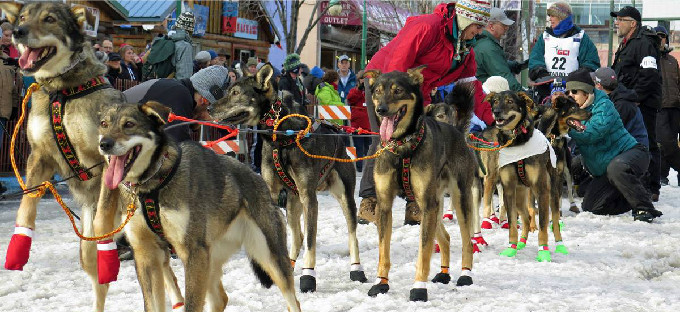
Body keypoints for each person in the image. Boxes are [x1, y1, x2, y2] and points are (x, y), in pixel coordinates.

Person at [358, 0, 491, 224]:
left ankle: (414, 205)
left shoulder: (464, 52)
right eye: (478, 25)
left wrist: (493, 118)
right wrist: (391, 105)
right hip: (385, 87)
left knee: (419, 144)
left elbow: (472, 90)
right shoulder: (428, 27)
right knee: (384, 138)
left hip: (418, 95)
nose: (480, 31)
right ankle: (369, 202)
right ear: (467, 18)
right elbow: (398, 60)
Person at [565, 69, 662, 222]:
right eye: (568, 92)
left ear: (586, 92)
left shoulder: (603, 105)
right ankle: (630, 197)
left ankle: (644, 207)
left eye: (574, 91)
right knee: (592, 207)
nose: (570, 95)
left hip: (632, 154)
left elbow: (593, 134)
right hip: (605, 168)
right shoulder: (574, 111)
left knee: (616, 168)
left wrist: (568, 129)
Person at [611, 6, 662, 202]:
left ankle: (651, 188)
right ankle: (635, 183)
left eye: (621, 19)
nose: (617, 23)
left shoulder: (644, 42)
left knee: (647, 142)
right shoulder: (626, 43)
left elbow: (649, 76)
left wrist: (635, 98)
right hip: (629, 102)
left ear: (633, 23)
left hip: (643, 103)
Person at [123, 65, 229, 142]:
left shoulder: (175, 89)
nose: (210, 116)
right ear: (204, 99)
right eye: (209, 108)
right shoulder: (180, 94)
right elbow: (178, 144)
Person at [528, 1, 600, 87]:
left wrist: (577, 77)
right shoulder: (544, 37)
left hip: (572, 90)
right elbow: (535, 60)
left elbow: (591, 63)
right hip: (546, 86)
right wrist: (543, 75)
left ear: (562, 17)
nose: (550, 19)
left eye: (553, 15)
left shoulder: (580, 37)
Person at [653, 26, 680, 187]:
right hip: (660, 106)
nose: (660, 39)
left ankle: (662, 174)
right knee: (666, 142)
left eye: (662, 36)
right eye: (657, 36)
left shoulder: (673, 61)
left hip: (676, 106)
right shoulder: (650, 58)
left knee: (668, 143)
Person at [473, 7, 525, 92]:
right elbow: (504, 77)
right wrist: (525, 96)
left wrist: (514, 65)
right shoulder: (488, 47)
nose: (506, 28)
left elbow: (492, 64)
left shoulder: (483, 43)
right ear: (491, 26)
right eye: (503, 25)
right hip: (485, 97)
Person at [347, 70, 370, 172]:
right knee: (359, 148)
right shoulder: (354, 91)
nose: (364, 81)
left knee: (369, 148)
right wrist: (359, 90)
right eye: (362, 79)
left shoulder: (371, 92)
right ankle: (359, 168)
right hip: (357, 126)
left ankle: (369, 168)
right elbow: (350, 99)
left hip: (369, 126)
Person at [167, 11, 195, 80]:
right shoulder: (185, 46)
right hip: (174, 87)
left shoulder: (167, 39)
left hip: (158, 84)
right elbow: (185, 76)